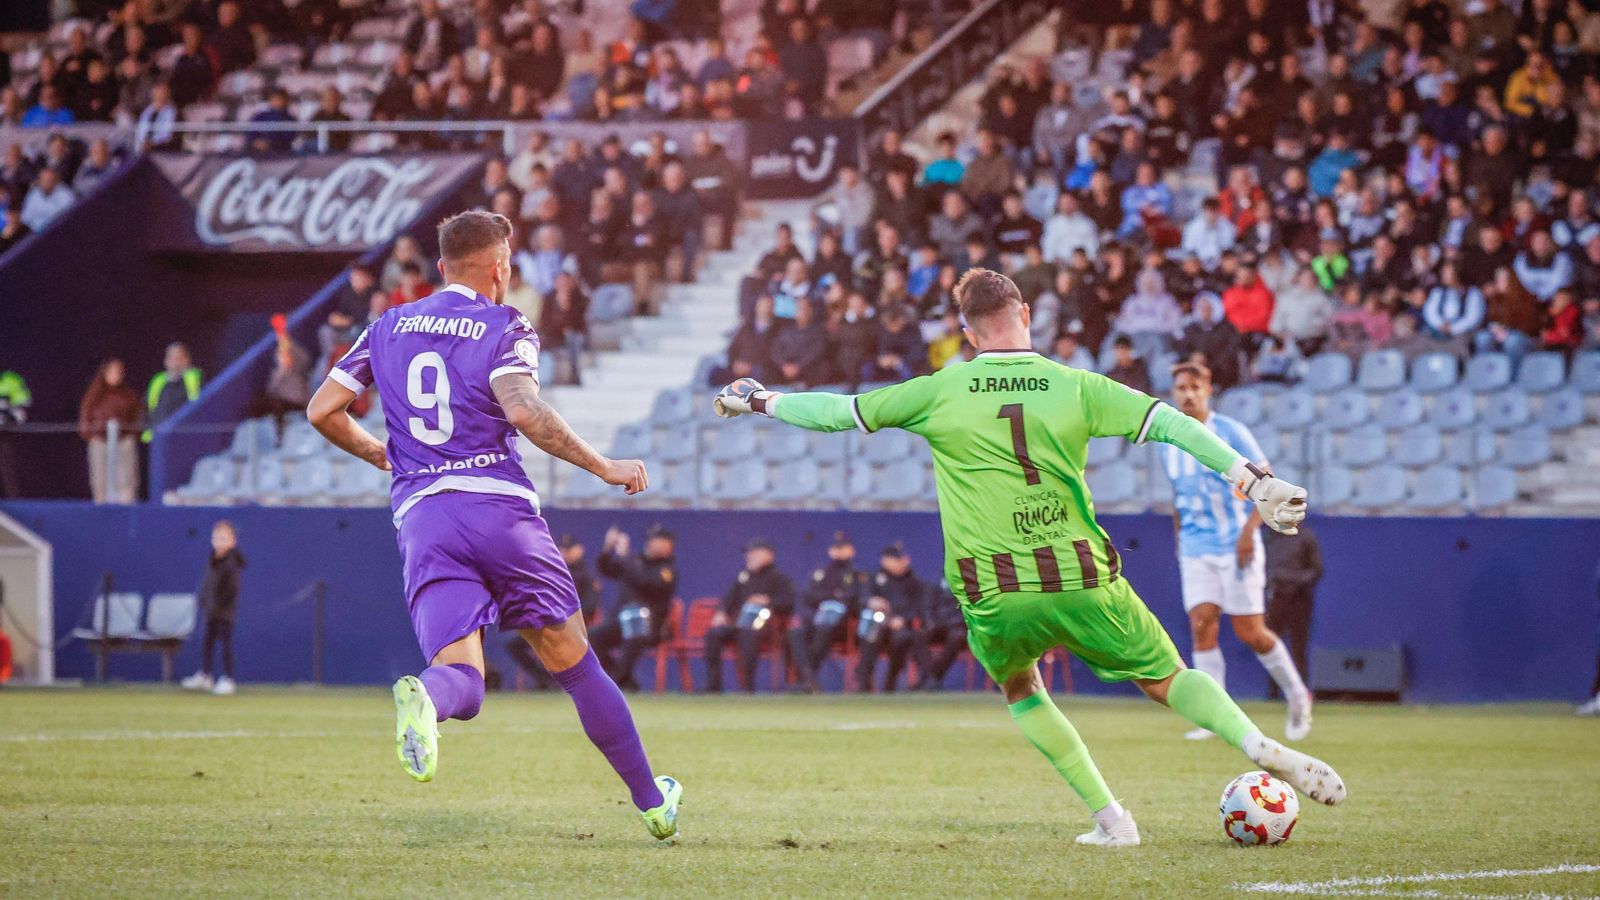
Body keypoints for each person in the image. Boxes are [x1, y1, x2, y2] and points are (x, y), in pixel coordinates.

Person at [712, 267, 1342, 846]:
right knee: (1166, 677)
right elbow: (1174, 424)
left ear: (966, 332)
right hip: (1080, 574)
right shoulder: (1076, 385)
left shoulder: (941, 388)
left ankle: (1113, 820)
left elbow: (836, 414)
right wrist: (1254, 480)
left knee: (1021, 685)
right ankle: (1254, 741)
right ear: (1027, 315)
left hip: (994, 588)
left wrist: (762, 399)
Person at [305, 210, 680, 840]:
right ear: (498, 265)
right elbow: (526, 413)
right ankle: (652, 802)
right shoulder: (506, 323)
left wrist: (382, 454)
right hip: (497, 513)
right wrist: (603, 465)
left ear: (443, 264)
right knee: (575, 663)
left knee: (466, 687)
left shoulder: (389, 324)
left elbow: (323, 409)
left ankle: (428, 697)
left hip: (424, 518)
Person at [1158, 361, 1314, 742]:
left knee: (1251, 632)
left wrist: (1248, 534)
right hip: (1196, 548)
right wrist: (1180, 541)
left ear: (1208, 390)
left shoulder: (1231, 432)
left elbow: (1267, 486)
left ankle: (1298, 695)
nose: (1188, 394)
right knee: (1201, 624)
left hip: (1234, 544)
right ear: (1174, 392)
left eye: (1195, 386)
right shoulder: (1168, 441)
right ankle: (1214, 717)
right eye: (1181, 387)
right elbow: (1178, 498)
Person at [506, 533, 603, 689]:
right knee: (514, 644)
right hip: (548, 623)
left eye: (570, 549)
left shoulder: (588, 575)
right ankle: (546, 679)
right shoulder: (553, 573)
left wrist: (562, 617)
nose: (566, 553)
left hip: (576, 626)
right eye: (563, 549)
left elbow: (590, 607)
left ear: (580, 550)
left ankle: (568, 680)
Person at [591, 523, 679, 692]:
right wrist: (607, 549)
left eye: (657, 540)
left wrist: (624, 557)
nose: (651, 543)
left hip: (651, 626)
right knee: (593, 639)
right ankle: (620, 678)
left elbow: (644, 581)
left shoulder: (667, 569)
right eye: (650, 539)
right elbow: (607, 569)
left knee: (634, 632)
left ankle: (617, 682)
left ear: (669, 544)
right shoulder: (636, 561)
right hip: (619, 623)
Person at [702, 537, 796, 693]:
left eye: (754, 552)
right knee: (714, 634)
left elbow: (788, 602)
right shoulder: (743, 577)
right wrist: (721, 613)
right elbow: (727, 599)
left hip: (766, 626)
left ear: (768, 555)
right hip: (740, 624)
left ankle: (747, 687)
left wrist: (768, 601)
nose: (749, 556)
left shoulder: (780, 579)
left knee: (748, 634)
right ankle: (713, 685)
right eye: (748, 553)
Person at [787, 530, 866, 693]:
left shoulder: (858, 575)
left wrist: (837, 602)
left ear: (851, 550)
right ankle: (809, 678)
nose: (838, 551)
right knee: (796, 632)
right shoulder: (820, 574)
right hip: (817, 622)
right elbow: (807, 599)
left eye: (843, 547)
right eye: (836, 547)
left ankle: (808, 681)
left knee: (824, 629)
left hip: (843, 627)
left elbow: (856, 600)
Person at [181, 521, 246, 695]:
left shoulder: (231, 563)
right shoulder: (213, 561)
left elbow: (231, 589)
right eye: (216, 537)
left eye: (224, 538)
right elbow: (208, 584)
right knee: (207, 643)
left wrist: (220, 605)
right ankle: (206, 675)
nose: (219, 541)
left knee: (225, 644)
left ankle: (228, 678)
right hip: (211, 610)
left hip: (224, 611)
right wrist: (204, 601)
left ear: (233, 541)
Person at [1264, 523, 1323, 701]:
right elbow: (1265, 566)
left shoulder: (1306, 537)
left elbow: (1317, 570)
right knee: (1270, 645)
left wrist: (1293, 581)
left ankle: (1300, 691)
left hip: (1299, 599)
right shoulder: (1270, 537)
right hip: (1276, 598)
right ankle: (1273, 692)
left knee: (1299, 647)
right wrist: (1273, 582)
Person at [78, 358, 142, 503]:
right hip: (99, 441)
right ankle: (101, 510)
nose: (116, 375)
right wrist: (91, 435)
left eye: (119, 372)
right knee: (99, 480)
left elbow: (137, 416)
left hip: (123, 441)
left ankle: (126, 508)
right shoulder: (93, 395)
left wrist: (131, 433)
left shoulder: (128, 395)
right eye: (112, 371)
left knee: (126, 480)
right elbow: (85, 418)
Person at [144, 342, 201, 443]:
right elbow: (146, 407)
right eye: (171, 359)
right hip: (159, 437)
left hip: (186, 437)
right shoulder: (158, 381)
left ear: (187, 360)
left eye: (179, 358)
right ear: (166, 361)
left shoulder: (195, 379)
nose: (175, 363)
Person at [0, 368, 29, 498]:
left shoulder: (11, 379)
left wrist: (9, 416)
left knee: (8, 472)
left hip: (6, 434)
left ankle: (15, 504)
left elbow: (23, 405)